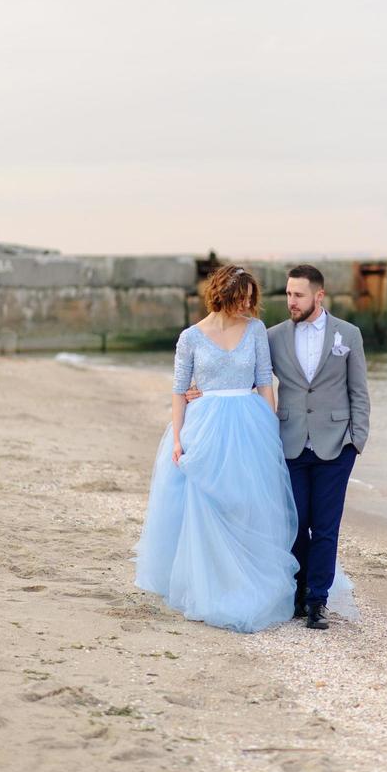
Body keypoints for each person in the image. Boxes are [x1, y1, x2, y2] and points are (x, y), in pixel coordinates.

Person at [133, 264, 299, 633]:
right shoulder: (190, 337)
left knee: (247, 501)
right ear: (222, 295)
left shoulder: (255, 330)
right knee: (206, 502)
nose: (247, 306)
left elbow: (263, 382)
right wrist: (178, 439)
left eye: (250, 299)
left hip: (249, 421)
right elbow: (179, 390)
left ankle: (247, 579)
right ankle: (211, 582)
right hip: (205, 424)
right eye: (240, 298)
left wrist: (270, 427)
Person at [267, 265, 370, 630]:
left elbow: (359, 392)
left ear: (319, 296)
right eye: (288, 294)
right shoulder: (273, 337)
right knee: (296, 524)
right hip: (291, 443)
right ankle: (297, 591)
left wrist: (356, 441)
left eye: (298, 295)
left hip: (335, 445)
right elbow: (249, 378)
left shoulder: (348, 334)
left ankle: (316, 601)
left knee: (326, 527)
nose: (291, 301)